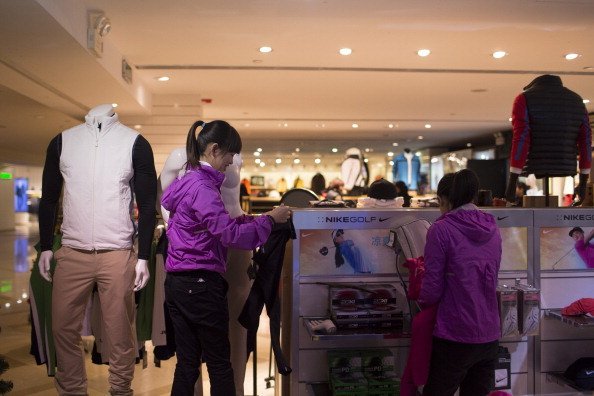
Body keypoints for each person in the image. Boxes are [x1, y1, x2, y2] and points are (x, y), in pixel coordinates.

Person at [161, 120, 291, 396]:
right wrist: (269, 220)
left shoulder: (187, 182)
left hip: (177, 282)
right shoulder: (203, 188)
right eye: (230, 155)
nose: (231, 162)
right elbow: (229, 234)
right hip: (202, 282)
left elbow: (215, 223)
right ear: (214, 149)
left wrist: (258, 219)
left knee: (186, 364)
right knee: (220, 365)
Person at [38, 103, 157, 395]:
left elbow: (148, 202)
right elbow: (49, 198)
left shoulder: (134, 143)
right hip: (72, 250)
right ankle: (72, 389)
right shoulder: (63, 141)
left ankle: (120, 390)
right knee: (62, 328)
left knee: (118, 331)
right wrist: (45, 247)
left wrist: (142, 257)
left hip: (116, 251)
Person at [419, 169, 502, 396]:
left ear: (444, 199)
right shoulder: (493, 228)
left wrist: (421, 303)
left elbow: (432, 287)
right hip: (490, 333)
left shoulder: (441, 229)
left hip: (455, 332)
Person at [505, 74, 592, 206]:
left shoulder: (523, 99)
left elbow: (521, 139)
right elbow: (585, 142)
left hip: (536, 164)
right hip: (566, 166)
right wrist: (583, 182)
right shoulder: (577, 101)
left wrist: (512, 181)